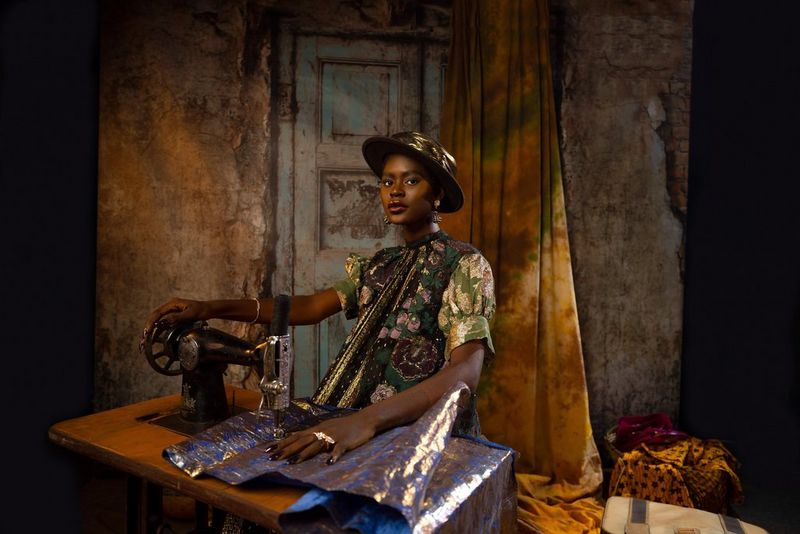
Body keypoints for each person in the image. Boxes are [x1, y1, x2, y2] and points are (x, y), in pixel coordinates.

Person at [142, 131, 496, 465]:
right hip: (352, 414)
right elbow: (310, 307)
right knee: (237, 458)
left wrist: (366, 422)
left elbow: (466, 371)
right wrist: (210, 307)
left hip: (417, 427)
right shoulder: (380, 266)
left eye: (411, 180)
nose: (396, 191)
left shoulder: (463, 264)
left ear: (436, 195)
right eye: (388, 181)